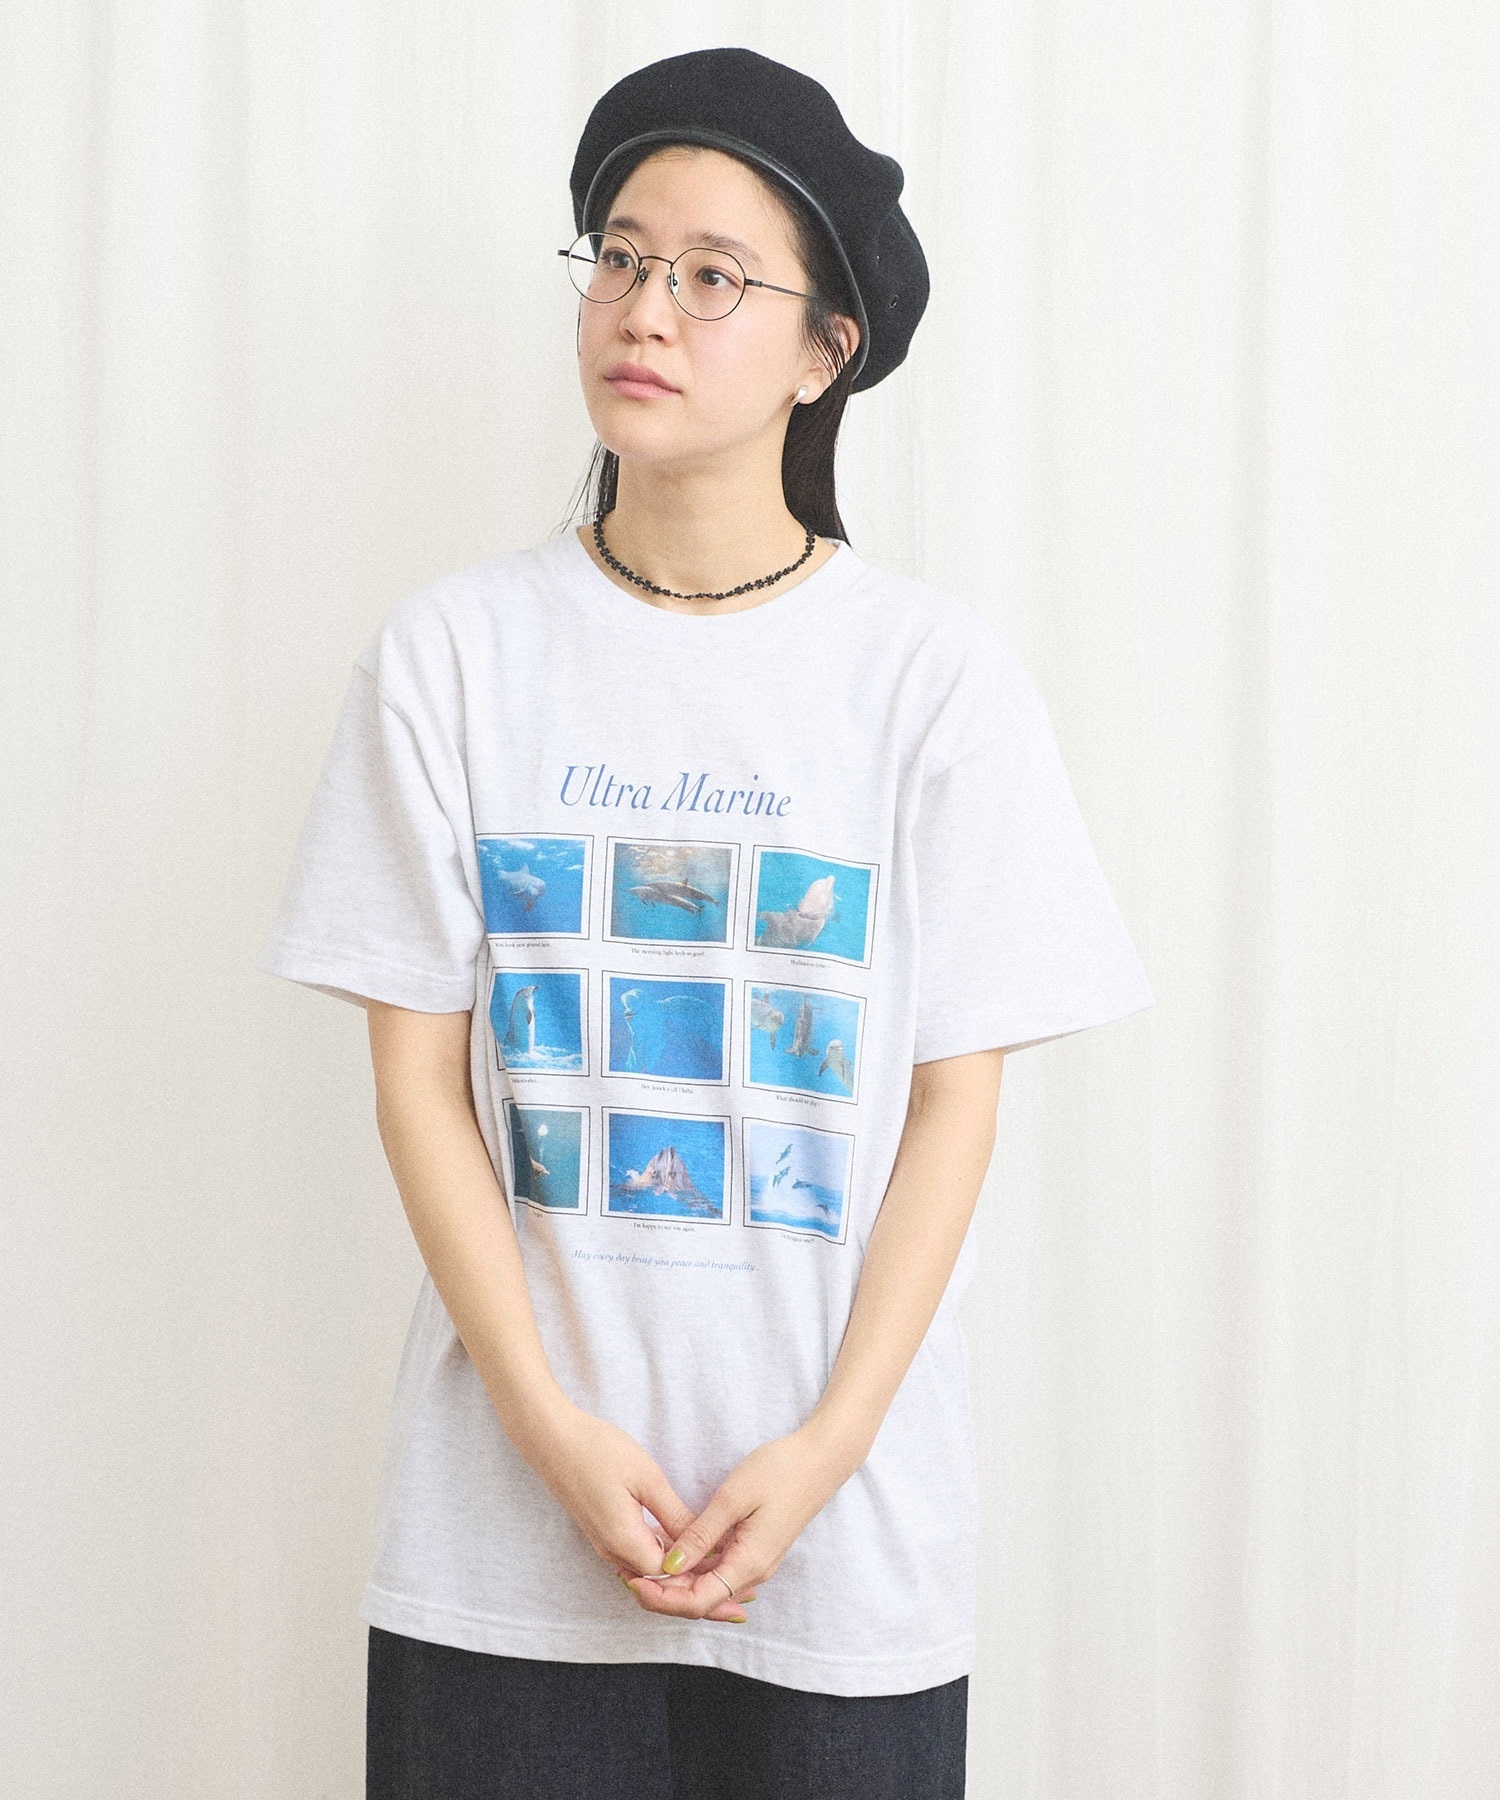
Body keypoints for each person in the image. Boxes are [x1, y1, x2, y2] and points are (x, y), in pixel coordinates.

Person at [255, 45, 1155, 1800]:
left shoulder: (931, 682)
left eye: (714, 275)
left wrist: (828, 1449)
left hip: (844, 1554)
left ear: (829, 351)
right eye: (619, 256)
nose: (646, 309)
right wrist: (543, 1426)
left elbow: (953, 1106)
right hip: (500, 1558)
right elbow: (418, 1085)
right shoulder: (452, 658)